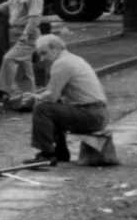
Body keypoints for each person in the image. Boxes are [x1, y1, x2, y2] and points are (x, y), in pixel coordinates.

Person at [22, 35, 107, 164]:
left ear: (55, 49)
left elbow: (51, 96)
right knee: (55, 106)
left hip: (91, 115)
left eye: (44, 53)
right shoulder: (74, 59)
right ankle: (60, 152)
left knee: (42, 108)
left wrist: (35, 97)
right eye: (41, 54)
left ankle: (47, 153)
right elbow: (55, 96)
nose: (43, 58)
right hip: (98, 113)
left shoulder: (61, 64)